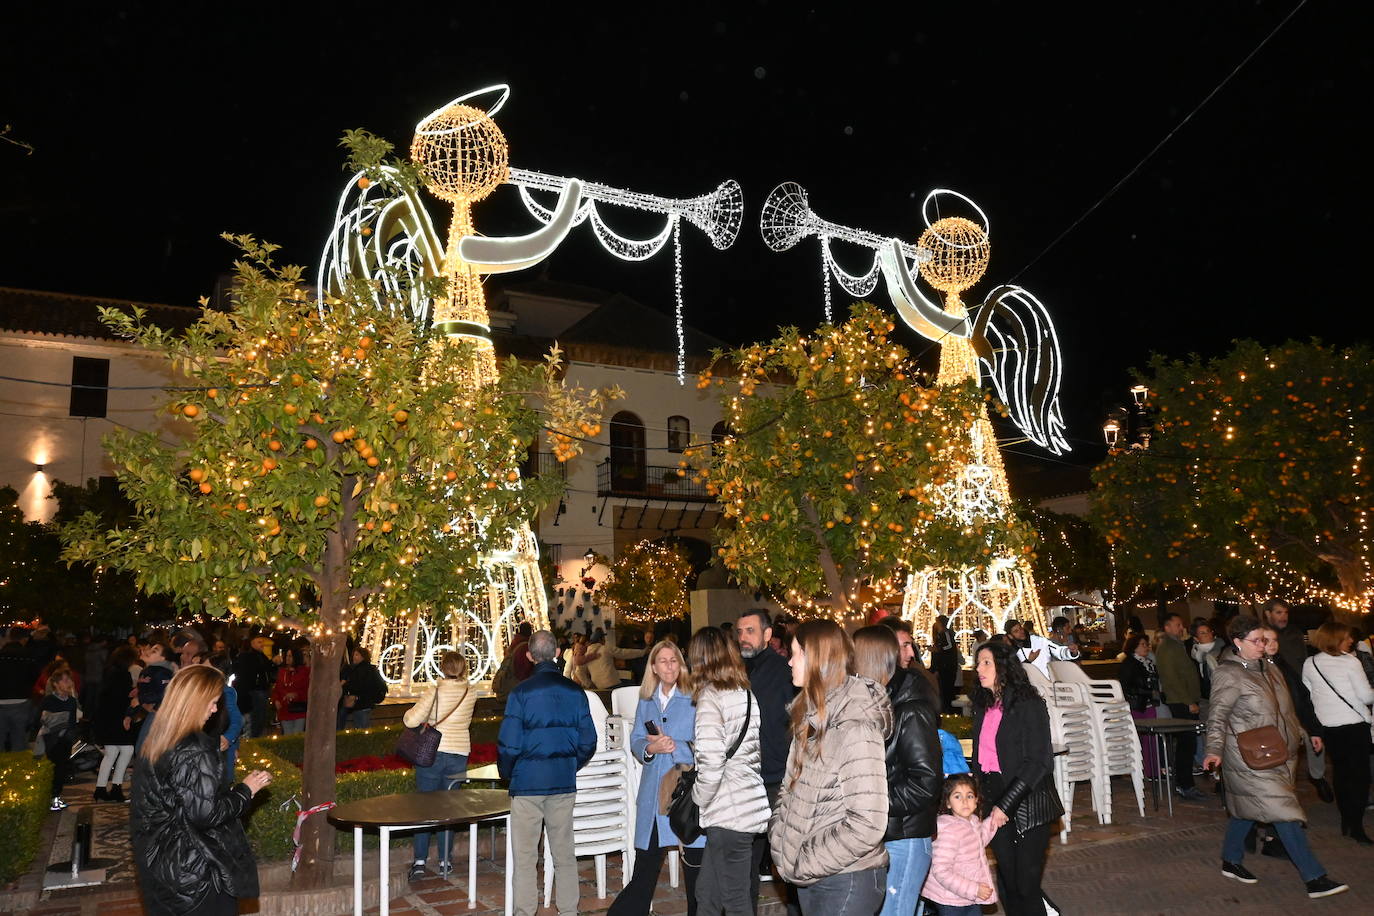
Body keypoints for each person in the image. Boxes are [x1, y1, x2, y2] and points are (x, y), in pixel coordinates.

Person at [1203, 616, 1347, 898]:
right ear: (1237, 642)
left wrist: (1305, 732)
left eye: (1264, 640)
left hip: (1279, 752)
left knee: (1250, 809)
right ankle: (1314, 877)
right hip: (1248, 756)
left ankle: (1231, 860)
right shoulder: (1228, 673)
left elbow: (1286, 709)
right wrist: (1213, 749)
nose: (1263, 645)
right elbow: (1218, 715)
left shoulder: (1269, 667)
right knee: (1283, 812)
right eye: (1256, 641)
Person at [769, 620, 891, 916]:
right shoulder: (809, 718)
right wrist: (780, 836)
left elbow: (868, 823)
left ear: (816, 659)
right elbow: (789, 788)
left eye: (796, 652)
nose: (789, 660)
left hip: (847, 879)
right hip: (814, 876)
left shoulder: (855, 727)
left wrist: (805, 859)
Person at [132, 664, 272, 915]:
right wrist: (246, 790)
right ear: (194, 701)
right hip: (195, 873)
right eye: (212, 701)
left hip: (162, 866)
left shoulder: (157, 735)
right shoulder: (193, 747)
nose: (215, 709)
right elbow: (206, 814)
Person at [498, 630, 597, 916]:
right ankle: (568, 910)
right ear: (557, 654)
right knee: (564, 852)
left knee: (526, 856)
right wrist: (569, 763)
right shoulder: (575, 692)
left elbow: (509, 744)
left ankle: (525, 911)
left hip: (527, 783)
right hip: (562, 782)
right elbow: (588, 741)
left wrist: (509, 773)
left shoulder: (520, 694)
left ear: (529, 656)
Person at [607, 640, 705, 916]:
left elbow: (706, 741)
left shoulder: (695, 696)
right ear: (653, 666)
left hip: (684, 791)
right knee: (646, 863)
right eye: (663, 661)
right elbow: (637, 739)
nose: (669, 666)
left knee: (695, 865)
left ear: (681, 664)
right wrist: (650, 748)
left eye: (674, 660)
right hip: (653, 793)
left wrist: (677, 746)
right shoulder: (646, 699)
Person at [853, 625, 941, 916]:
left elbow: (926, 782)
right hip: (887, 833)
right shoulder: (881, 704)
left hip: (906, 837)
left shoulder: (911, 708)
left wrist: (874, 803)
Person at [970, 640, 1062, 916]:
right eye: (978, 663)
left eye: (986, 662)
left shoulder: (1028, 704)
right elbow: (981, 758)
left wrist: (1005, 805)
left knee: (1026, 885)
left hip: (1027, 801)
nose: (979, 668)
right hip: (993, 796)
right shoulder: (983, 706)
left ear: (1004, 666)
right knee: (1008, 883)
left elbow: (1038, 762)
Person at [688, 626, 770, 916]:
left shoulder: (711, 697)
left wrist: (698, 801)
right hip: (745, 803)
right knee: (707, 894)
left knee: (735, 901)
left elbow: (710, 765)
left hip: (727, 812)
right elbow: (753, 754)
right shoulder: (744, 693)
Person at [735, 608, 796, 896]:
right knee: (744, 857)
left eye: (750, 631)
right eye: (740, 632)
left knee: (785, 855)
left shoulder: (785, 674)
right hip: (745, 777)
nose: (743, 638)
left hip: (776, 778)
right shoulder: (736, 670)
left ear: (767, 635)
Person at [404, 651, 478, 878]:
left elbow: (411, 720)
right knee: (449, 807)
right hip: (458, 753)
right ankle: (445, 860)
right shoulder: (471, 692)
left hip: (432, 753)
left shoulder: (435, 690)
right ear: (463, 669)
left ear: (442, 667)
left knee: (425, 806)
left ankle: (419, 861)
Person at [1301, 622, 1374, 845]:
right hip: (1355, 725)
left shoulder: (1310, 663)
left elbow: (1310, 696)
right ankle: (1357, 825)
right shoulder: (1350, 662)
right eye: (1346, 637)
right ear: (1335, 639)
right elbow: (1366, 697)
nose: (1351, 640)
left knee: (1342, 775)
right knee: (1361, 777)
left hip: (1329, 728)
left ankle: (1346, 821)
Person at [1262, 599, 1330, 801]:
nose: (1283, 616)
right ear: (1267, 614)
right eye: (1278, 612)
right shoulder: (1257, 650)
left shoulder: (1294, 635)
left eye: (1285, 612)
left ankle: (1316, 776)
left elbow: (1302, 663)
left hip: (1297, 693)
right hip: (1275, 711)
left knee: (1314, 738)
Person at [921, 774, 999, 915]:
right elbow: (941, 871)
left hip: (968, 896)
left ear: (976, 800)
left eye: (969, 796)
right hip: (949, 898)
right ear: (948, 803)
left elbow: (980, 839)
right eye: (957, 796)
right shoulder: (948, 831)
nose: (964, 801)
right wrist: (974, 889)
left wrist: (994, 819)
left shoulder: (973, 822)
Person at [1155, 613, 1208, 801]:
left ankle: (1184, 783)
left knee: (1188, 743)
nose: (1181, 628)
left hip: (1185, 698)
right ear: (1167, 627)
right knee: (1187, 743)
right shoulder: (1168, 647)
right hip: (1180, 700)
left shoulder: (1177, 646)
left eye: (1181, 624)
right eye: (1177, 625)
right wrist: (1188, 701)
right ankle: (1184, 784)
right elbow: (1172, 678)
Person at [93, 644, 139, 803]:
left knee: (111, 753)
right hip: (117, 719)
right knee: (127, 750)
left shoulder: (109, 671)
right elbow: (120, 698)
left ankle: (100, 788)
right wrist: (132, 694)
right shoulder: (122, 674)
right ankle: (116, 787)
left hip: (106, 718)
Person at [1117, 633, 1162, 777]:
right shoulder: (1129, 663)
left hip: (1149, 704)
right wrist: (1146, 692)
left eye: (1146, 644)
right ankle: (1141, 770)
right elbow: (1125, 686)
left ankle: (1153, 770)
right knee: (1139, 739)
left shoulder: (1148, 663)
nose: (1146, 647)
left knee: (1151, 737)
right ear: (1134, 647)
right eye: (1142, 644)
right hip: (1136, 705)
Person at [36, 668, 80, 811]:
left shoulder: (72, 701)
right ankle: (53, 797)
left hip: (66, 739)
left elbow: (72, 722)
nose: (69, 683)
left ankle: (56, 796)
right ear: (55, 684)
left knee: (61, 768)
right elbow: (43, 720)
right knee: (55, 768)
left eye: (70, 680)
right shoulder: (49, 700)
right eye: (65, 680)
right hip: (52, 740)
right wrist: (60, 721)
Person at [1, 626, 40, 752]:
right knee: (19, 739)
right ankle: (17, 767)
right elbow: (35, 676)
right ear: (24, 639)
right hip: (21, 700)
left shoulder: (1, 654)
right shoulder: (29, 655)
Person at [1005, 619, 1077, 680]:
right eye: (1016, 631)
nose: (1021, 632)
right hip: (1028, 689)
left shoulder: (1039, 641)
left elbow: (1058, 651)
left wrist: (1070, 652)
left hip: (1048, 683)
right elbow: (1014, 673)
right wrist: (1028, 661)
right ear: (1010, 636)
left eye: (1020, 628)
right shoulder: (1010, 651)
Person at [233, 636, 275, 737]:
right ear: (252, 644)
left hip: (259, 691)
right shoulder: (248, 657)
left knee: (259, 719)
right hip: (255, 692)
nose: (262, 645)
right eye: (259, 642)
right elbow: (251, 674)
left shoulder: (260, 656)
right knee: (256, 719)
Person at [338, 646, 387, 730]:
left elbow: (366, 686)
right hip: (358, 703)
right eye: (354, 655)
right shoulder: (354, 669)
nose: (354, 657)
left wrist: (357, 696)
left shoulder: (366, 670)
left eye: (357, 655)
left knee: (362, 727)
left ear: (363, 656)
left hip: (362, 703)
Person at [584, 631, 648, 690]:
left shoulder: (586, 655)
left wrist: (589, 684)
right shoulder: (605, 649)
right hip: (611, 683)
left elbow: (578, 671)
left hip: (597, 686)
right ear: (600, 639)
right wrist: (643, 652)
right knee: (633, 687)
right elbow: (624, 653)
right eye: (603, 638)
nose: (605, 640)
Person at [272, 644, 310, 735]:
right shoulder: (282, 672)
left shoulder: (305, 671)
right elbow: (277, 689)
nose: (288, 658)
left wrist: (296, 695)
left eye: (290, 656)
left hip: (299, 709)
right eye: (287, 656)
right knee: (287, 735)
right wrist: (276, 700)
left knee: (297, 735)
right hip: (284, 709)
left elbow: (307, 690)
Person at [929, 614, 960, 713]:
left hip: (947, 667)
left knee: (947, 689)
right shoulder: (942, 634)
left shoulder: (945, 633)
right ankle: (947, 709)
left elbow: (949, 646)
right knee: (945, 689)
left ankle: (949, 710)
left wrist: (938, 649)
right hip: (945, 666)